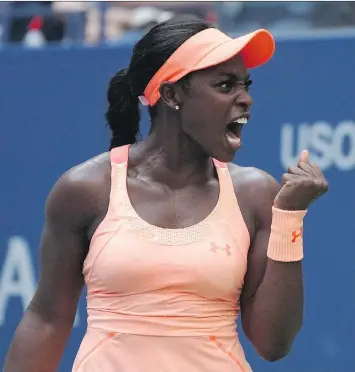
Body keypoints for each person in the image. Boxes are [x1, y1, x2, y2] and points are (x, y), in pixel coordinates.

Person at [4, 14, 329, 372]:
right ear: (172, 95)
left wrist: (290, 220)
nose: (246, 99)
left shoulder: (255, 193)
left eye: (246, 85)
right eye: (225, 86)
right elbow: (47, 320)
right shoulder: (84, 190)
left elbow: (273, 344)